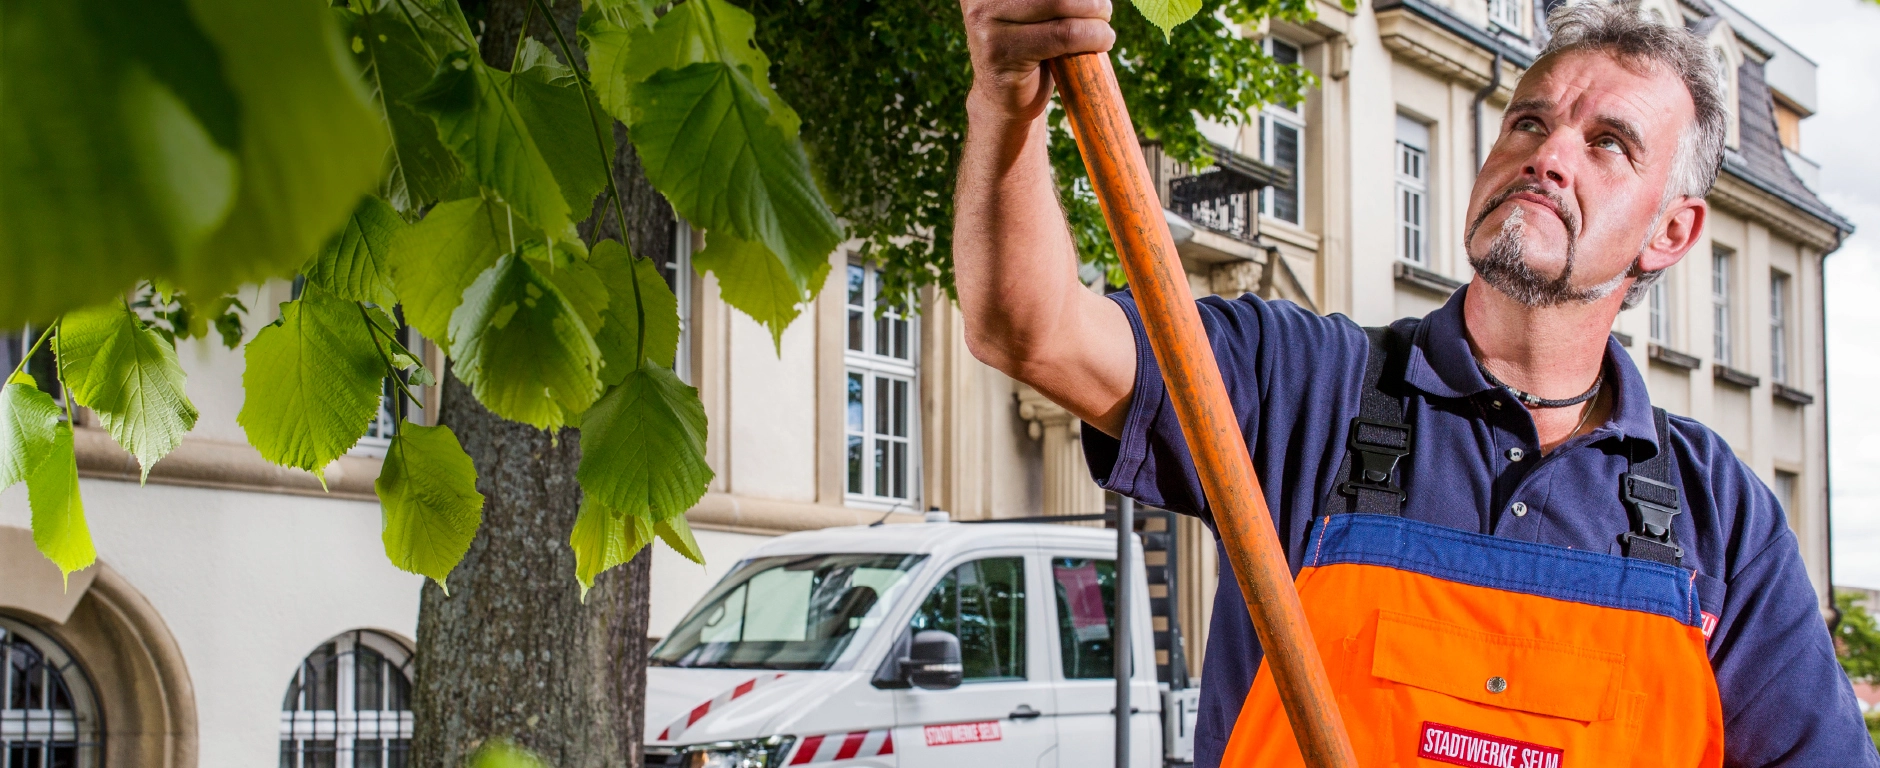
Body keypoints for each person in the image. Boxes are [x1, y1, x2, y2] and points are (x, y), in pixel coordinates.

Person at [951, 0, 1879, 765]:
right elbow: (1029, 328)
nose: (1547, 153)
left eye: (1607, 143)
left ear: (1671, 232)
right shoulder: (1304, 388)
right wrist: (1008, 100)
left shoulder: (1720, 517)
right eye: (1529, 120)